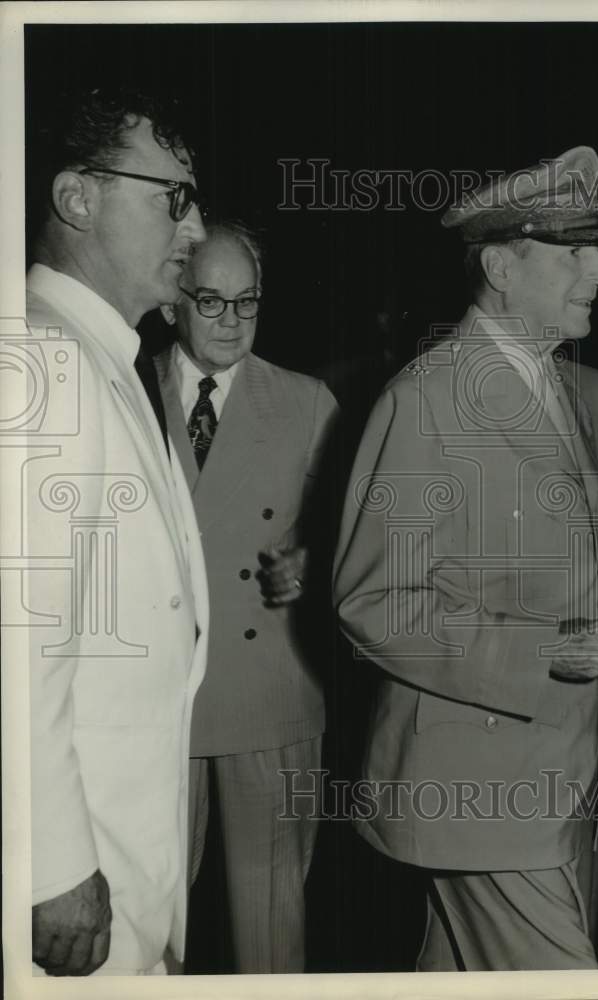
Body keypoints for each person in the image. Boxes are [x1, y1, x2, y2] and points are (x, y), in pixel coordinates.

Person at [332, 146, 598, 971]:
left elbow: (535, 576)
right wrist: (545, 651)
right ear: (499, 267)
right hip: (480, 786)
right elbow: (374, 603)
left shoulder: (552, 387)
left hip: (549, 776)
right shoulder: (427, 399)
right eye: (575, 250)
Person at [24, 87, 209, 974]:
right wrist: (51, 862)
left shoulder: (98, 351)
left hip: (126, 842)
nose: (196, 227)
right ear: (77, 198)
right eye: (174, 198)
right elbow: (21, 642)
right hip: (82, 860)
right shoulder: (44, 358)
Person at [156, 221, 339, 972]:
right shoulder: (124, 388)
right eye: (211, 301)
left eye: (247, 302)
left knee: (270, 930)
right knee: (149, 922)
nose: (231, 321)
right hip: (157, 702)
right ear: (171, 301)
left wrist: (313, 560)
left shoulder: (307, 401)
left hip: (268, 694)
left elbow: (357, 537)